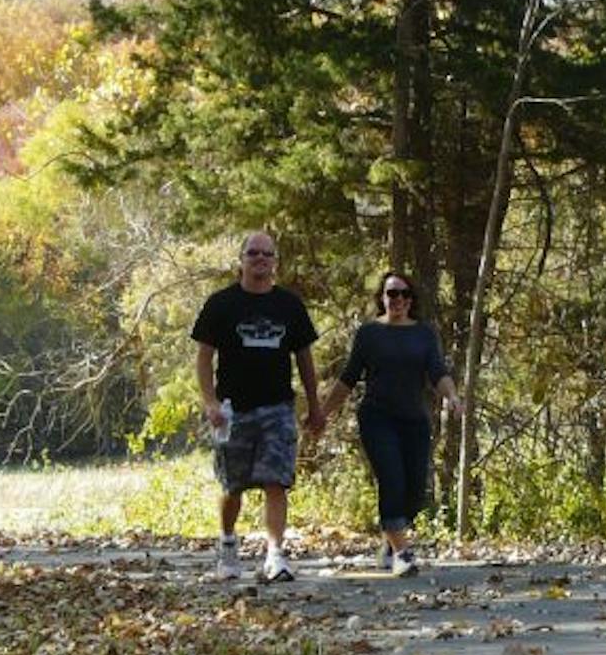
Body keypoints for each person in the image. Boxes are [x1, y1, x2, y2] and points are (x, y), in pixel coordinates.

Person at [192, 232, 324, 581]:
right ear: (241, 259)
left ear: (275, 261)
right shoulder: (221, 304)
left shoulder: (289, 305)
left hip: (278, 407)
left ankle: (275, 555)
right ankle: (228, 546)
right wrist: (210, 402)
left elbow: (305, 358)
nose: (260, 259)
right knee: (232, 486)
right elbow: (204, 358)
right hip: (233, 410)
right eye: (253, 253)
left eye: (267, 254)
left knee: (276, 481)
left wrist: (315, 405)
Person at [317, 270, 461, 577]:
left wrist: (452, 396)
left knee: (415, 492)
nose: (398, 300)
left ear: (411, 300)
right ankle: (402, 553)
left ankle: (390, 540)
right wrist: (323, 413)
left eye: (403, 294)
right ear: (382, 298)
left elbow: (437, 371)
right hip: (377, 418)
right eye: (391, 293)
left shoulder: (423, 334)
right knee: (392, 478)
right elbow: (349, 377)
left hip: (414, 420)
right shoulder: (369, 334)